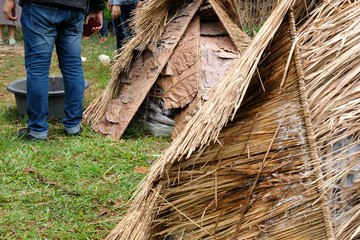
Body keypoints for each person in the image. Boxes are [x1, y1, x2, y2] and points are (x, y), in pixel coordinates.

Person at [3, 0, 105, 141]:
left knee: (38, 68)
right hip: (74, 7)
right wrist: (98, 7)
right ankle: (73, 126)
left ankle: (37, 130)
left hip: (39, 6)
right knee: (73, 66)